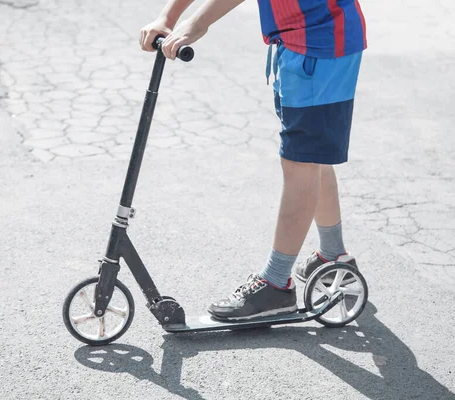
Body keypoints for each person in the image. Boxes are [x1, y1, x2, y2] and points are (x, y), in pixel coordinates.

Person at [140, 0, 366, 321]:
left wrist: (196, 23)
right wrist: (168, 16)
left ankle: (275, 284)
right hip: (300, 43)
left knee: (300, 163)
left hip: (319, 43)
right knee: (311, 156)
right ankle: (332, 255)